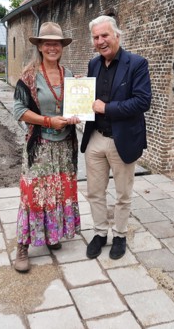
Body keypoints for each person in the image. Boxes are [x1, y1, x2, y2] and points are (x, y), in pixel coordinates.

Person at [80, 15, 152, 260]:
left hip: (123, 139)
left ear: (117, 36)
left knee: (123, 194)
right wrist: (80, 91)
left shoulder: (137, 64)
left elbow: (143, 101)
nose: (100, 41)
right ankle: (100, 233)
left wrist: (107, 108)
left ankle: (120, 235)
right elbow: (90, 99)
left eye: (105, 35)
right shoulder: (94, 65)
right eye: (96, 37)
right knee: (94, 192)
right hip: (96, 138)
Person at [12, 22, 81, 272]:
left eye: (57, 43)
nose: (52, 47)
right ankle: (23, 245)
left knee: (58, 191)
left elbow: (75, 106)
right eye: (47, 43)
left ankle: (52, 235)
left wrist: (76, 113)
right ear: (40, 46)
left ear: (62, 47)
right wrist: (47, 120)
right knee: (33, 194)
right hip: (40, 145)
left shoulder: (70, 75)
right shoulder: (29, 76)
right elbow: (19, 111)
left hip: (64, 146)